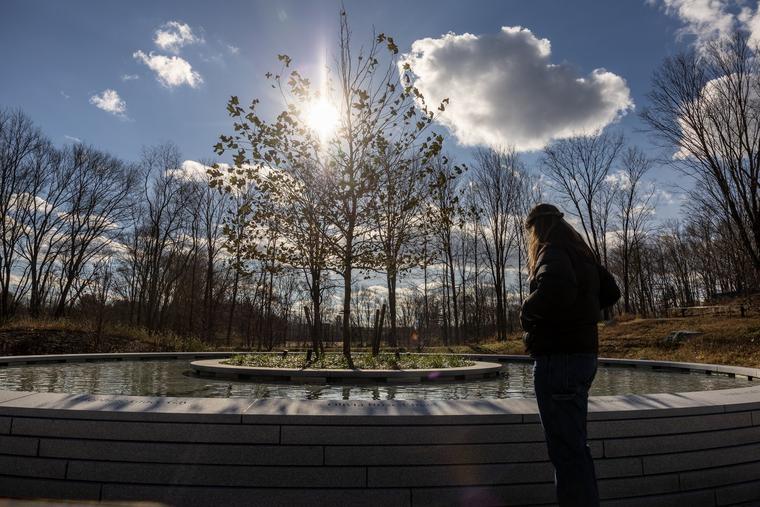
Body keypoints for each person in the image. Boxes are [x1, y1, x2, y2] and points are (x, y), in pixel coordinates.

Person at [520, 203, 621, 507]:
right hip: (582, 358)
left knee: (566, 452)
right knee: (575, 448)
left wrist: (526, 311)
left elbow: (556, 289)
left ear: (538, 228)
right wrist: (583, 310)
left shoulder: (550, 251)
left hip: (559, 360)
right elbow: (612, 291)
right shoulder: (580, 254)